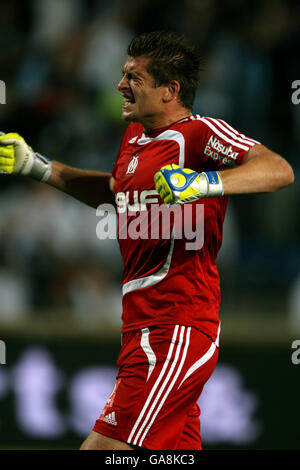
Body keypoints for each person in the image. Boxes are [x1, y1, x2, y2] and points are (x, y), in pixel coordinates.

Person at [0, 31, 294, 450]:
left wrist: (202, 183)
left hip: (177, 327)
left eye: (134, 78)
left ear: (170, 90)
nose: (120, 85)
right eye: (123, 74)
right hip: (140, 327)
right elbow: (118, 193)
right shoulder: (134, 139)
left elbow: (278, 170)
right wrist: (39, 167)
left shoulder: (198, 134)